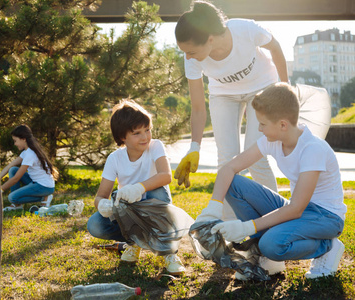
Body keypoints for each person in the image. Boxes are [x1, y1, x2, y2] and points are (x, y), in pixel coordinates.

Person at [196, 83, 346, 280]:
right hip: (298, 209)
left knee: (272, 245)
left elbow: (296, 209)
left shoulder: (313, 149)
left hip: (326, 217)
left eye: (262, 124)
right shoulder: (272, 141)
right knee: (234, 183)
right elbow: (229, 168)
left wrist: (247, 227)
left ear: (283, 124)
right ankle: (263, 256)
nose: (259, 128)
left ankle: (327, 246)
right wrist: (213, 207)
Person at [174, 0, 288, 220]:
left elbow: (275, 47)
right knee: (226, 160)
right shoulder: (193, 59)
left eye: (190, 51)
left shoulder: (245, 29)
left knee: (256, 157)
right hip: (223, 94)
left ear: (210, 38)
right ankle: (228, 227)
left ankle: (276, 219)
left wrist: (285, 89)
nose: (187, 56)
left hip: (263, 88)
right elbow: (198, 108)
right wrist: (194, 147)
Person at [87, 100, 186, 275]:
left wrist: (139, 188)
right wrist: (102, 205)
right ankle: (133, 243)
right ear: (122, 137)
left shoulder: (155, 146)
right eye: (137, 133)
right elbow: (100, 196)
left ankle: (170, 253)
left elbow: (166, 176)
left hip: (156, 211)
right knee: (95, 224)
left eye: (147, 130)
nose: (145, 137)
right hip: (129, 216)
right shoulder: (114, 158)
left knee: (155, 188)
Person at [0, 124, 57, 211]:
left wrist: (0, 190)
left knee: (12, 197)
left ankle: (43, 197)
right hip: (36, 182)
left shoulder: (30, 154)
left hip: (44, 186)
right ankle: (17, 205)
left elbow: (16, 178)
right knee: (13, 170)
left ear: (24, 139)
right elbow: (10, 165)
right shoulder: (26, 152)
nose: (15, 144)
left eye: (15, 141)